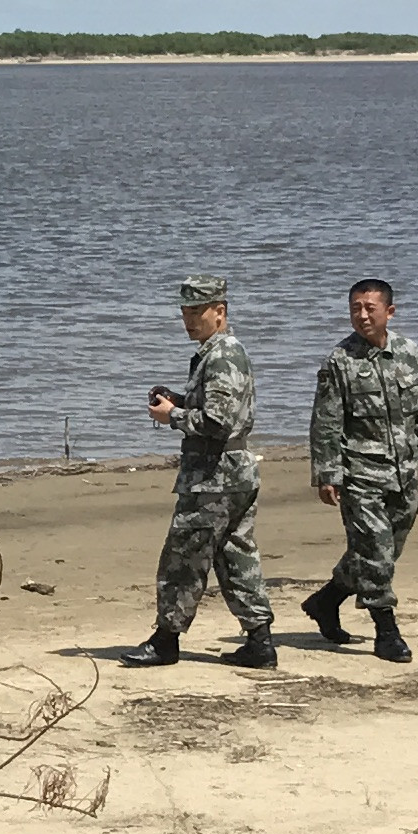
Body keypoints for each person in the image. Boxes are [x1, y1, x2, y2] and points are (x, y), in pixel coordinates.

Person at [120, 275, 277, 670]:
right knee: (236, 556)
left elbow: (219, 420)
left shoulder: (222, 354)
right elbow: (217, 408)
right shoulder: (219, 353)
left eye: (197, 312)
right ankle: (260, 640)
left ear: (219, 312)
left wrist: (172, 415)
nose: (189, 321)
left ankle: (165, 641)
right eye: (185, 313)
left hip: (214, 476)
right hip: (233, 471)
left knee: (183, 558)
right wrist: (181, 399)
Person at [304, 277, 418, 664]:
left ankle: (327, 600)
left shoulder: (407, 352)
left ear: (389, 311)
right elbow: (325, 423)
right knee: (375, 550)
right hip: (360, 473)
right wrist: (327, 474)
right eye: (355, 308)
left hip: (402, 471)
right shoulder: (340, 362)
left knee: (385, 547)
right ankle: (386, 631)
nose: (362, 315)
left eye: (370, 308)